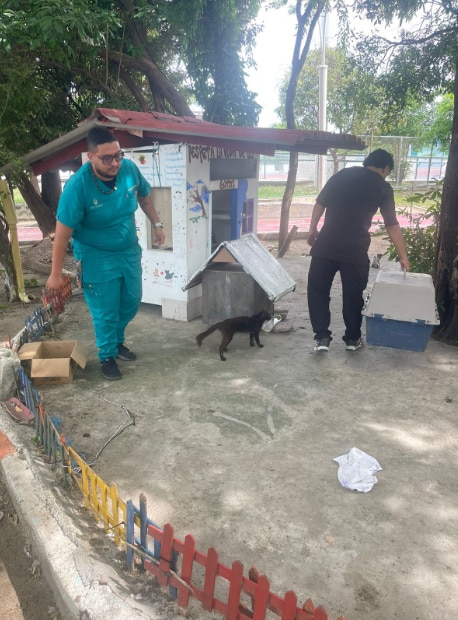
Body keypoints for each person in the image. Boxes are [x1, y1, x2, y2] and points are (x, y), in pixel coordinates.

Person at [46, 127, 165, 380]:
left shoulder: (129, 169)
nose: (115, 163)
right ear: (91, 157)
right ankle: (107, 355)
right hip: (95, 255)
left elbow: (144, 197)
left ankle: (117, 340)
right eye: (107, 158)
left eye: (118, 155)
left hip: (128, 249)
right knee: (105, 308)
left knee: (132, 300)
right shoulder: (77, 187)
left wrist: (157, 224)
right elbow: (62, 234)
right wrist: (55, 274)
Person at [306, 148, 410, 353]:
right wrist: (403, 256)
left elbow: (320, 203)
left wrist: (312, 228)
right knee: (353, 295)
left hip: (326, 245)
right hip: (355, 250)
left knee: (318, 291)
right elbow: (392, 224)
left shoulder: (342, 175)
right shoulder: (383, 187)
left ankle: (322, 338)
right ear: (385, 168)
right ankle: (352, 340)